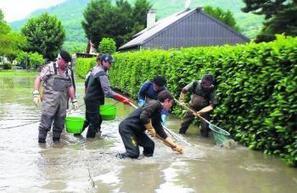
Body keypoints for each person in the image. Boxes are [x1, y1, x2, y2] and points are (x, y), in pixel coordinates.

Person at [118, 90, 183, 159]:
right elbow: (144, 116)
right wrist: (150, 128)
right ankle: (116, 158)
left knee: (150, 145)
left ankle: (143, 164)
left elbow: (161, 133)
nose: (171, 106)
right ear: (167, 100)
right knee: (133, 153)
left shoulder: (157, 113)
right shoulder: (155, 103)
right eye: (171, 103)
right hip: (127, 129)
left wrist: (174, 146)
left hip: (137, 132)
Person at [33, 50, 78, 143]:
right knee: (45, 125)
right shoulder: (50, 67)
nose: (66, 64)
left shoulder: (68, 71)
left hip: (62, 103)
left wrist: (74, 100)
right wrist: (36, 93)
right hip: (49, 102)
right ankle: (41, 145)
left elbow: (70, 86)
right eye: (65, 62)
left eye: (67, 63)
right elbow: (39, 79)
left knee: (59, 125)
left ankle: (56, 145)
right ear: (59, 59)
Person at [82, 54, 131, 138]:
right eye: (109, 63)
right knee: (94, 122)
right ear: (103, 62)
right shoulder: (101, 74)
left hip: (90, 99)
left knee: (89, 119)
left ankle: (78, 133)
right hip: (93, 100)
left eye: (111, 63)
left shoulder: (95, 69)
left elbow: (87, 84)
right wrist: (123, 99)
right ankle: (89, 144)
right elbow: (108, 92)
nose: (111, 65)